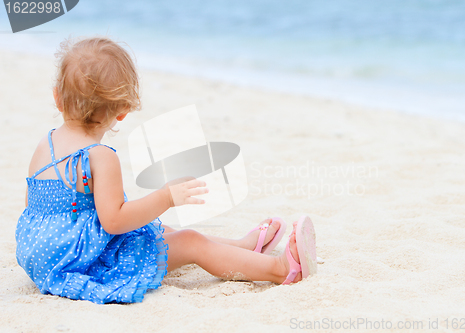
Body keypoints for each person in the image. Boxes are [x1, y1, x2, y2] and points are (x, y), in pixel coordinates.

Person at [16, 36, 317, 304]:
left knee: (158, 230)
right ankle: (280, 270)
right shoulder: (99, 156)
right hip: (81, 262)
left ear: (57, 96)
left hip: (42, 254)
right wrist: (166, 197)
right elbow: (114, 221)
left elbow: (33, 204)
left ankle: (241, 248)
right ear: (122, 111)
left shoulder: (46, 143)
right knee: (190, 243)